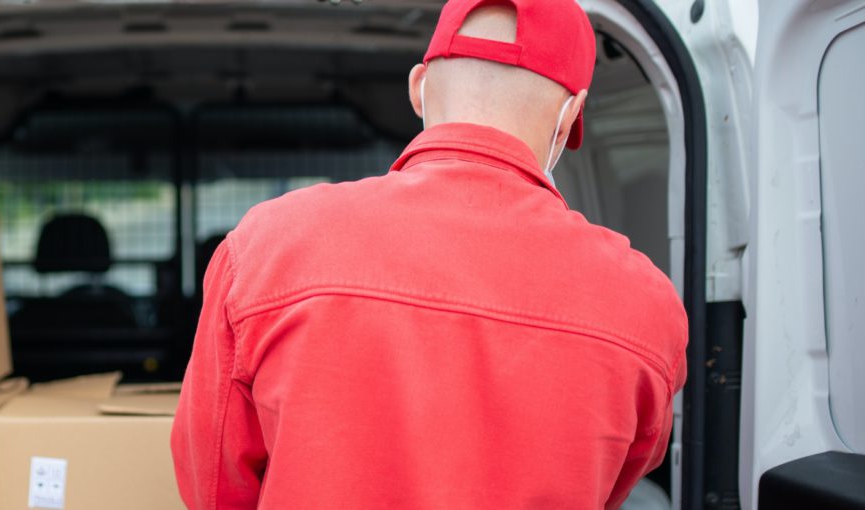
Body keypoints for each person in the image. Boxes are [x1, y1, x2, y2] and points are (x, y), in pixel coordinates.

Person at [170, 0, 688, 508]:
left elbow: (214, 486)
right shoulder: (645, 304)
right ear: (570, 113)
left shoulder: (268, 246)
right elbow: (612, 485)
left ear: (418, 87)